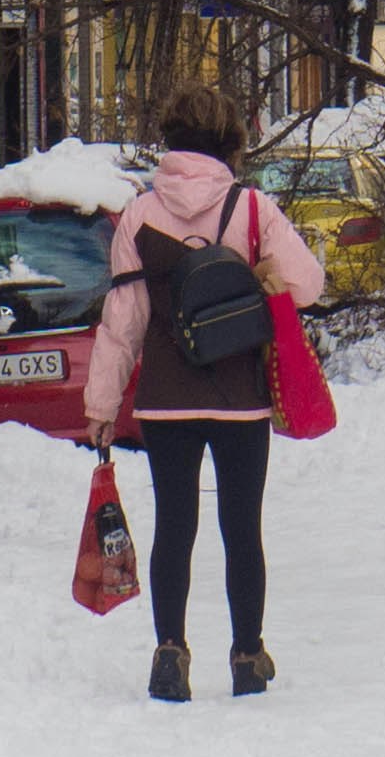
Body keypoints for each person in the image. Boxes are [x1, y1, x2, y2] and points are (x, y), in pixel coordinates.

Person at [84, 82, 325, 703]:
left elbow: (123, 323)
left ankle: (171, 651)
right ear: (229, 144)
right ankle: (247, 655)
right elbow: (307, 285)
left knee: (175, 526)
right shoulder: (251, 209)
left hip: (166, 399)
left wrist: (101, 406)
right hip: (240, 393)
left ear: (171, 140)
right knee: (242, 526)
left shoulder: (139, 214)